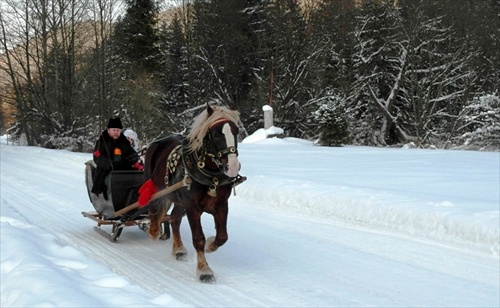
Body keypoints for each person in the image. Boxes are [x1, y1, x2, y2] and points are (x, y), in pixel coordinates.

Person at [91, 117, 143, 200]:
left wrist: (135, 159)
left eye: (118, 130)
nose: (116, 132)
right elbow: (97, 157)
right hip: (107, 169)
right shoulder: (102, 141)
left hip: (123, 168)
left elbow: (131, 152)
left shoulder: (124, 141)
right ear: (108, 130)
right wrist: (110, 164)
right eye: (114, 130)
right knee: (102, 179)